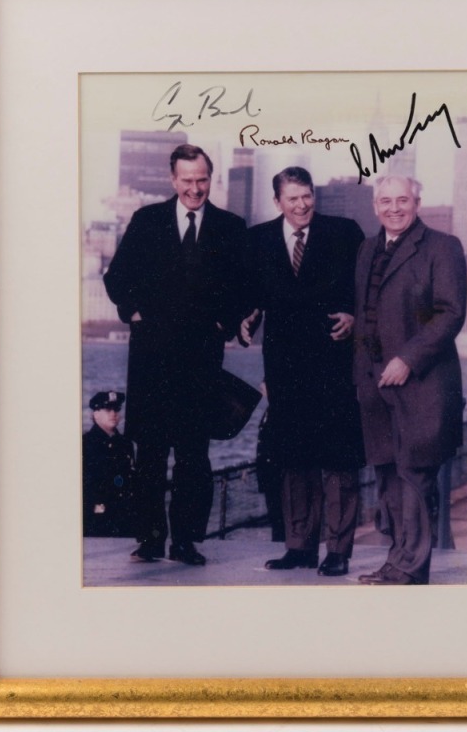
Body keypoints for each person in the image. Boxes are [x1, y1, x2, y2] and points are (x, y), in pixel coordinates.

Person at [104, 144, 247, 565]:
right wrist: (132, 311)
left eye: (202, 179)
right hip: (150, 359)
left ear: (211, 178)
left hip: (201, 361)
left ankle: (185, 542)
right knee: (149, 453)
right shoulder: (146, 221)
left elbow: (242, 286)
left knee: (192, 455)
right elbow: (116, 277)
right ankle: (150, 539)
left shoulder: (230, 226)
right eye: (186, 180)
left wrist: (227, 320)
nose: (195, 188)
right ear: (172, 179)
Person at [241, 166, 365, 577]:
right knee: (293, 460)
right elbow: (249, 294)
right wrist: (247, 316)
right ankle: (299, 547)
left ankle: (338, 549)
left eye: (307, 195)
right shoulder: (257, 239)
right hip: (284, 367)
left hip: (334, 363)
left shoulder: (345, 232)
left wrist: (353, 315)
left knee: (338, 460)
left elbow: (364, 290)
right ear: (277, 202)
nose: (302, 204)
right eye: (293, 198)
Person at [353, 175, 467, 585]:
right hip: (375, 387)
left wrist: (407, 358)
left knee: (414, 476)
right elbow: (370, 311)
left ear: (418, 202)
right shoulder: (368, 249)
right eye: (386, 201)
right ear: (375, 206)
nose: (394, 208)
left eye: (403, 200)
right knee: (387, 475)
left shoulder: (443, 246)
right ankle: (397, 559)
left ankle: (410, 567)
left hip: (422, 385)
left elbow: (451, 313)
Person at [82, 391, 136, 537]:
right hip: (96, 518)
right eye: (107, 409)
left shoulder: (125, 444)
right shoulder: (85, 444)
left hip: (124, 517)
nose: (113, 413)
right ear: (95, 414)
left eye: (116, 409)